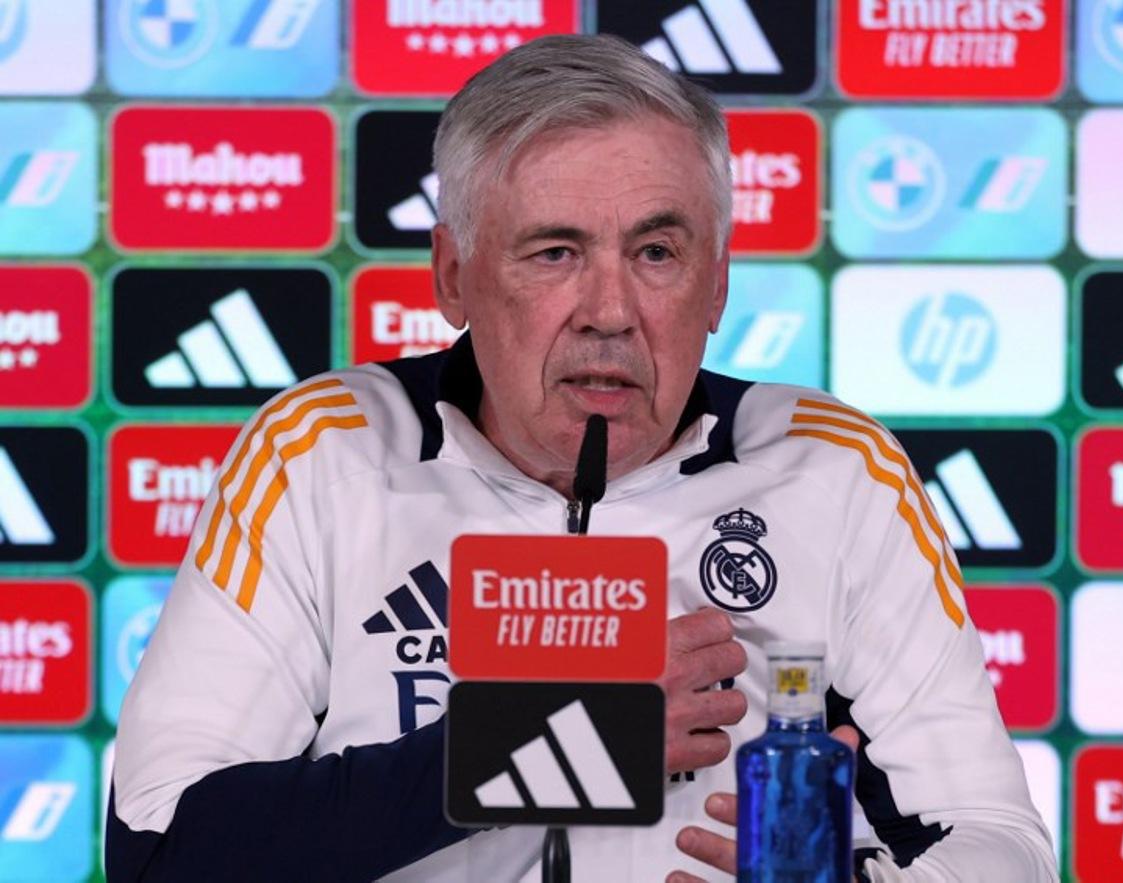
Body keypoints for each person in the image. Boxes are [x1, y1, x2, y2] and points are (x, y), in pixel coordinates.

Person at [107, 34, 1058, 882]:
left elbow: (1003, 843)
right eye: (555, 252)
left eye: (657, 252)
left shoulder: (834, 470)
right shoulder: (322, 453)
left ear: (717, 282)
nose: (610, 312)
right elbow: (161, 849)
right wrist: (568, 735)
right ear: (452, 274)